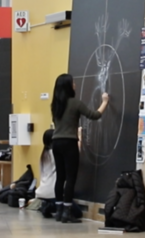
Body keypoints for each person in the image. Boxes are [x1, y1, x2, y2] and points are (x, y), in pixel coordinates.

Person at [50, 73, 108, 223]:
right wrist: (105, 102)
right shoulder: (75, 103)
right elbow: (94, 115)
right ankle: (67, 213)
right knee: (70, 177)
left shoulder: (55, 105)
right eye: (73, 83)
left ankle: (59, 210)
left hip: (56, 142)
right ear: (68, 87)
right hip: (69, 143)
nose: (75, 85)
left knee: (60, 177)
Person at [36, 129, 58, 218]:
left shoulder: (43, 154)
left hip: (42, 190)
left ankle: (47, 205)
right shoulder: (55, 153)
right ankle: (51, 207)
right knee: (77, 213)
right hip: (53, 191)